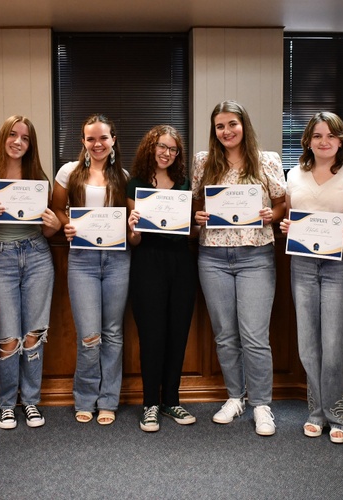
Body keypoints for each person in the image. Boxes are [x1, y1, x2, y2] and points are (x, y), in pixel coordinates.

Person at [192, 100, 286, 436]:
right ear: (213, 131)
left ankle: (261, 404)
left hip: (255, 256)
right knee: (225, 336)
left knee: (255, 336)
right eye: (220, 126)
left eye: (232, 124)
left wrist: (271, 216)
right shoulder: (204, 162)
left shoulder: (267, 160)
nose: (227, 131)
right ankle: (235, 396)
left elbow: (280, 204)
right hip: (213, 257)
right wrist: (198, 216)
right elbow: (198, 205)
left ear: (243, 125)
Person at [279, 112, 343, 444]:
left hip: (342, 264)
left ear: (341, 140)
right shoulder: (295, 175)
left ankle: (340, 415)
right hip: (303, 264)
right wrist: (287, 226)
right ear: (307, 141)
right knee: (308, 344)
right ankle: (316, 412)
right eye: (317, 136)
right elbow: (290, 214)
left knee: (335, 343)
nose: (324, 141)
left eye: (331, 135)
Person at [0, 116, 62, 430]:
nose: (18, 142)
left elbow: (49, 228)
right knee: (8, 338)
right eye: (13, 135)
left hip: (37, 255)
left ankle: (31, 402)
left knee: (33, 334)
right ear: (3, 137)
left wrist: (53, 227)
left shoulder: (38, 177)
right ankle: (6, 404)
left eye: (25, 138)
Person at [51, 114, 130, 425]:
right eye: (91, 138)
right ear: (83, 142)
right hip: (83, 259)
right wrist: (66, 224)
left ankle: (108, 400)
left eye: (103, 138)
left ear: (112, 140)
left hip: (117, 259)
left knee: (113, 333)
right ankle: (85, 398)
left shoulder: (122, 176)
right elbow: (57, 209)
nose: (97, 144)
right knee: (89, 335)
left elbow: (129, 218)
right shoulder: (69, 172)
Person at [126, 125, 197, 432]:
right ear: (150, 147)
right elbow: (135, 240)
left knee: (177, 333)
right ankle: (149, 404)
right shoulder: (135, 184)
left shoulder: (183, 182)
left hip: (181, 262)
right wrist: (133, 228)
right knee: (152, 335)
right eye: (161, 147)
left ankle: (171, 400)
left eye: (173, 149)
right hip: (147, 263)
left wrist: (197, 224)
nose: (166, 153)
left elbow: (190, 233)